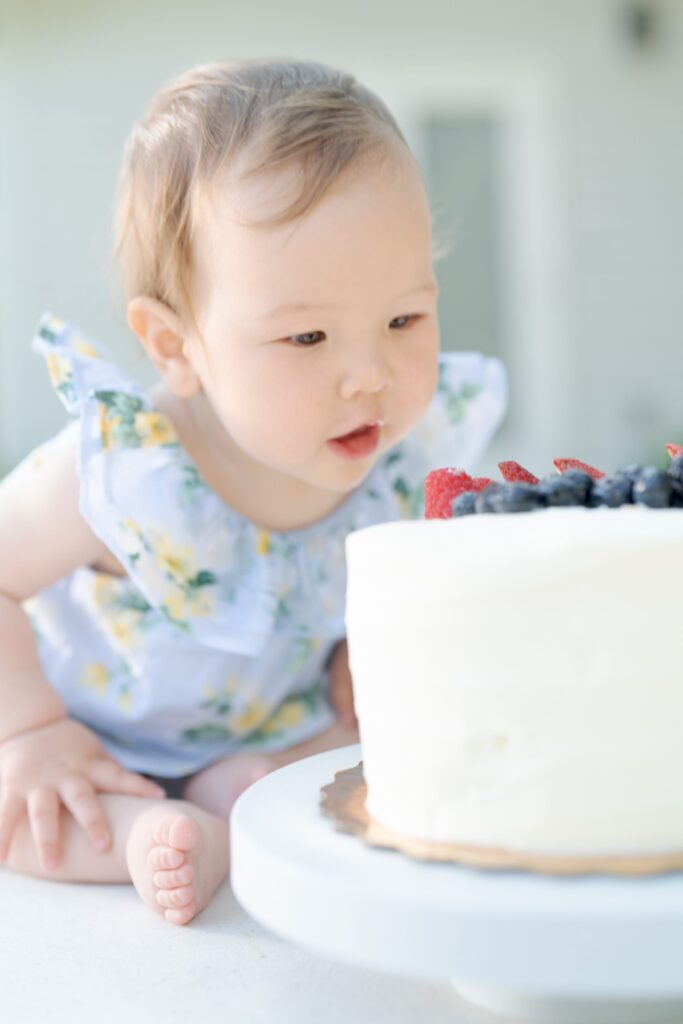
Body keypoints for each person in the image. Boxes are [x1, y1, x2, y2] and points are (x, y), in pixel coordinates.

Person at [0, 59, 506, 925]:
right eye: (306, 335)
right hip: (93, 745)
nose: (369, 376)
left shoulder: (399, 457)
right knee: (23, 812)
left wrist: (360, 646)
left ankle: (237, 799)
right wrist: (32, 732)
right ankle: (139, 836)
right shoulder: (130, 471)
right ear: (174, 346)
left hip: (278, 730)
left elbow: (409, 583)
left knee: (366, 752)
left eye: (403, 320)